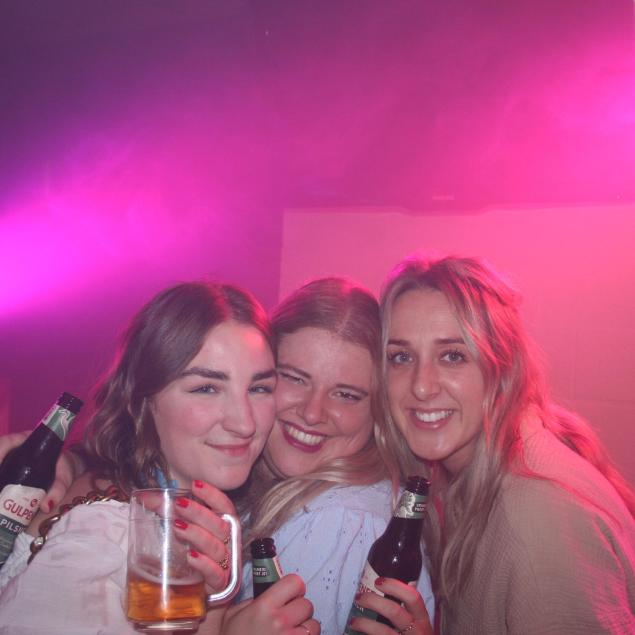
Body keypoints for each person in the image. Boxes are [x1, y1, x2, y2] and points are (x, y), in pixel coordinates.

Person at [0, 277, 435, 635]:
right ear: (143, 399)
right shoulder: (107, 532)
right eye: (206, 387)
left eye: (258, 387)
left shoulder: (330, 515)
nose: (244, 423)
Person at [350, 256, 635, 635]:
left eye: (453, 356)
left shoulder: (540, 517)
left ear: (502, 368)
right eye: (401, 357)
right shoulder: (469, 476)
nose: (421, 386)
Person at [235, 277, 434, 634]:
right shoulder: (260, 488)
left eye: (346, 395)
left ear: (378, 414)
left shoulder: (335, 521)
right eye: (295, 378)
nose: (313, 413)